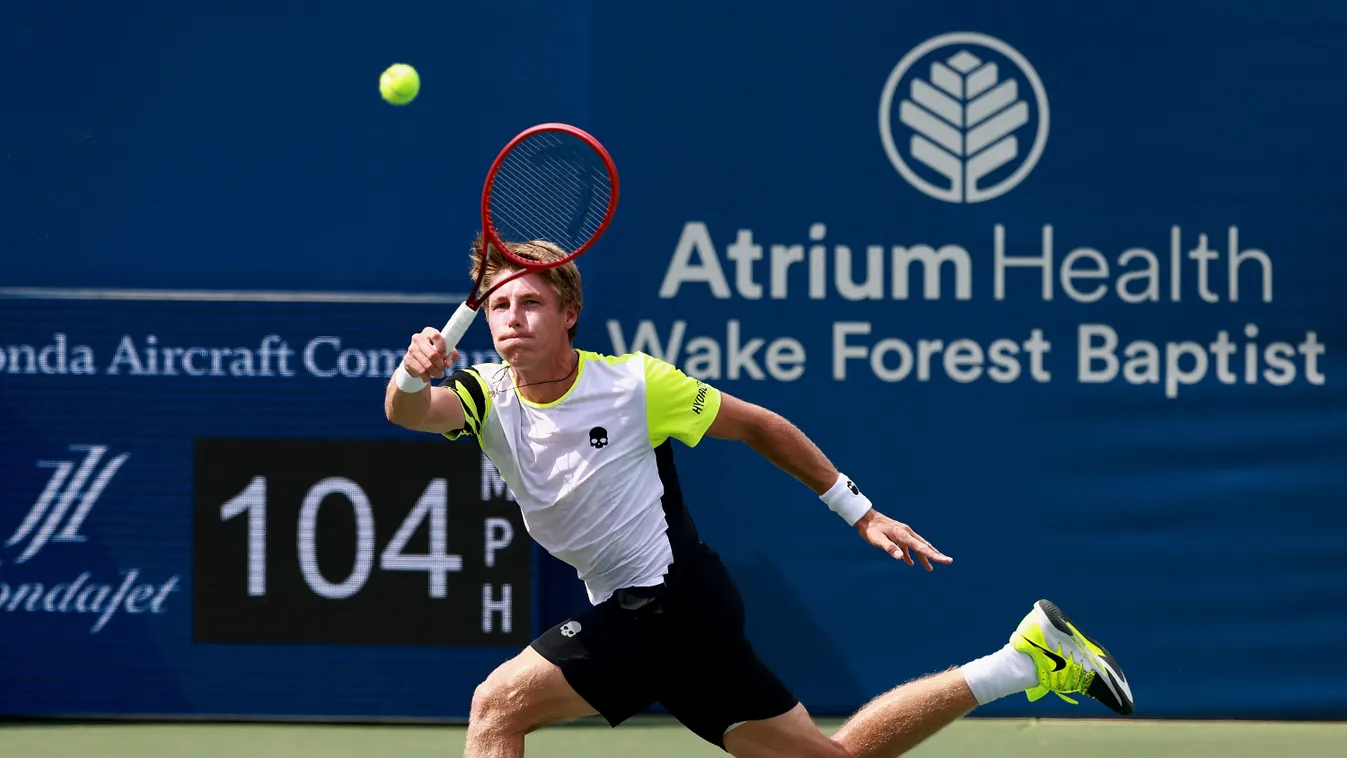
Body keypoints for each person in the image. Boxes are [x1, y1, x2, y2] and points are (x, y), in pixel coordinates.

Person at [384, 237, 1134, 758]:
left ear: (567, 314)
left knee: (496, 705)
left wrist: (859, 510)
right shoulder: (484, 395)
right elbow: (408, 412)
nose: (511, 319)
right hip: (672, 613)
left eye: (530, 304)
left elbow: (762, 427)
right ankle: (1024, 660)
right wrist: (415, 374)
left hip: (668, 602)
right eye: (499, 306)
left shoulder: (636, 385)